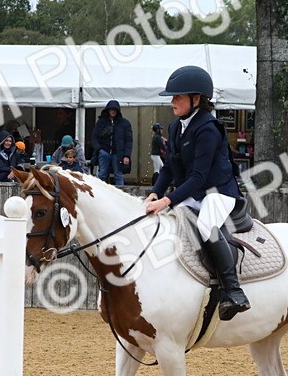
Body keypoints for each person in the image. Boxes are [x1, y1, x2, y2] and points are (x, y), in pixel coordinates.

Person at [144, 65, 250, 320]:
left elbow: (199, 176)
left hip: (218, 192)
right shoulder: (175, 127)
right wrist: (155, 193)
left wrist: (168, 199)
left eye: (177, 97)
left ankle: (233, 291)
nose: (172, 102)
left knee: (205, 225)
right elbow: (169, 167)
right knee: (168, 223)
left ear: (196, 99)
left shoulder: (208, 129)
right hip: (193, 191)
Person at [93, 99, 132, 186]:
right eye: (111, 109)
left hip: (118, 153)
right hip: (104, 152)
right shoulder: (101, 122)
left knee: (118, 174)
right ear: (108, 110)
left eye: (115, 110)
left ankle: (120, 196)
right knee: (102, 174)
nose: (113, 111)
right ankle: (100, 195)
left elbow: (129, 140)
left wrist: (126, 155)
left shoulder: (124, 124)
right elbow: (94, 137)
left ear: (117, 111)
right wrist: (99, 149)